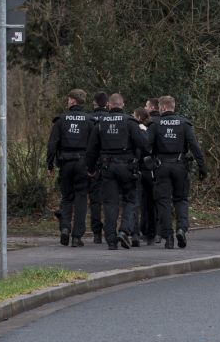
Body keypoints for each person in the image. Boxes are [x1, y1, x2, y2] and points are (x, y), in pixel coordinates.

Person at [86, 92, 149, 250]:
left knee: (110, 203)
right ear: (123, 105)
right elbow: (144, 144)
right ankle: (124, 230)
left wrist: (91, 169)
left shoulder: (100, 123)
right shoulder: (130, 121)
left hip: (107, 167)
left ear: (109, 105)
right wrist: (142, 130)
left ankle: (111, 241)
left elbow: (91, 150)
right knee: (132, 199)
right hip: (127, 167)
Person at [149, 95, 208, 249]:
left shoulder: (155, 124)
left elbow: (146, 145)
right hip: (180, 165)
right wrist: (202, 167)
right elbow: (194, 146)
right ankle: (181, 228)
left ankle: (168, 237)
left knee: (163, 201)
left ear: (161, 107)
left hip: (161, 167)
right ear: (173, 106)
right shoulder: (184, 123)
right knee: (180, 199)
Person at [46, 89, 97, 247]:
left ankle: (65, 228)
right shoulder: (90, 121)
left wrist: (50, 164)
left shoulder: (61, 120)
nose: (67, 102)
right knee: (81, 199)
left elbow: (52, 144)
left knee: (67, 198)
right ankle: (77, 237)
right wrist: (93, 165)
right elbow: (94, 146)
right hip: (83, 163)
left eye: (69, 100)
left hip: (66, 164)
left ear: (74, 101)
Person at [133, 107, 158, 245]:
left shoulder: (137, 129)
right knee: (150, 203)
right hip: (149, 169)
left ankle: (135, 233)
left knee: (135, 201)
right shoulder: (153, 128)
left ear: (138, 117)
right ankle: (151, 234)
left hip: (139, 167)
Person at [87, 91, 110, 244]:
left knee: (95, 200)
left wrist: (89, 166)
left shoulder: (88, 119)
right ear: (107, 104)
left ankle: (96, 233)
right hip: (110, 162)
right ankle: (110, 230)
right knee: (110, 199)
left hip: (94, 163)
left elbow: (88, 146)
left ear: (94, 103)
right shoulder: (112, 119)